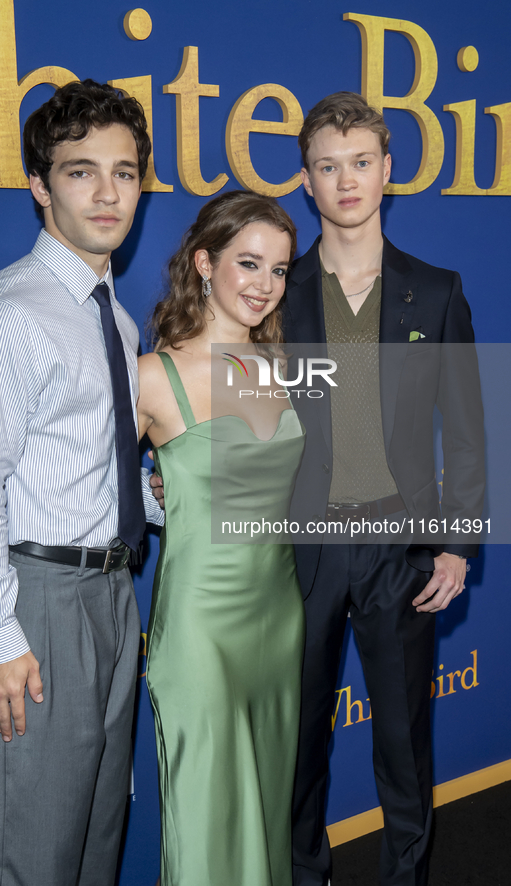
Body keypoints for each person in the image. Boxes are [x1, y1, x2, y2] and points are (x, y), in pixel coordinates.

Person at [0, 79, 163, 886]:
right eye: (80, 172)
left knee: (96, 838)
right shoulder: (10, 316)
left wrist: (151, 493)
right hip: (35, 600)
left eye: (126, 171)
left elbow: (78, 455)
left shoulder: (114, 315)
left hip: (112, 593)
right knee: (28, 852)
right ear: (39, 185)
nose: (108, 193)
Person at [284, 93, 484, 886]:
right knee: (297, 743)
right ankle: (305, 875)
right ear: (306, 181)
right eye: (328, 167)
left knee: (403, 746)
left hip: (399, 552)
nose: (346, 181)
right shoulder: (276, 296)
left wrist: (458, 544)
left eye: (360, 162)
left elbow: (467, 432)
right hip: (301, 555)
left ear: (387, 171)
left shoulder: (435, 291)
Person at [137, 190, 306, 886]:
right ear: (203, 263)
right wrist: (160, 498)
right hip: (200, 629)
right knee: (208, 820)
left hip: (278, 618)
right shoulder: (152, 375)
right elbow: (87, 495)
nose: (264, 286)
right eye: (248, 263)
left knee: (264, 814)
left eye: (279, 270)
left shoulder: (282, 369)